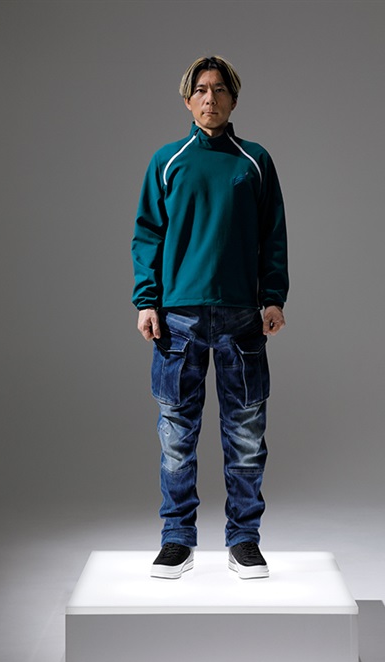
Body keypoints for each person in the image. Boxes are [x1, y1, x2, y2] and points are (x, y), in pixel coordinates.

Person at [131, 56, 288, 580]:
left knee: (246, 434)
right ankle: (177, 539)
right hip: (178, 319)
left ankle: (244, 541)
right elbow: (148, 234)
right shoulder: (168, 161)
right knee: (176, 434)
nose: (210, 98)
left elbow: (273, 235)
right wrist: (146, 301)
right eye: (200, 90)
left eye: (220, 90)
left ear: (234, 99)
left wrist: (273, 297)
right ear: (186, 99)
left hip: (243, 317)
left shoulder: (254, 161)